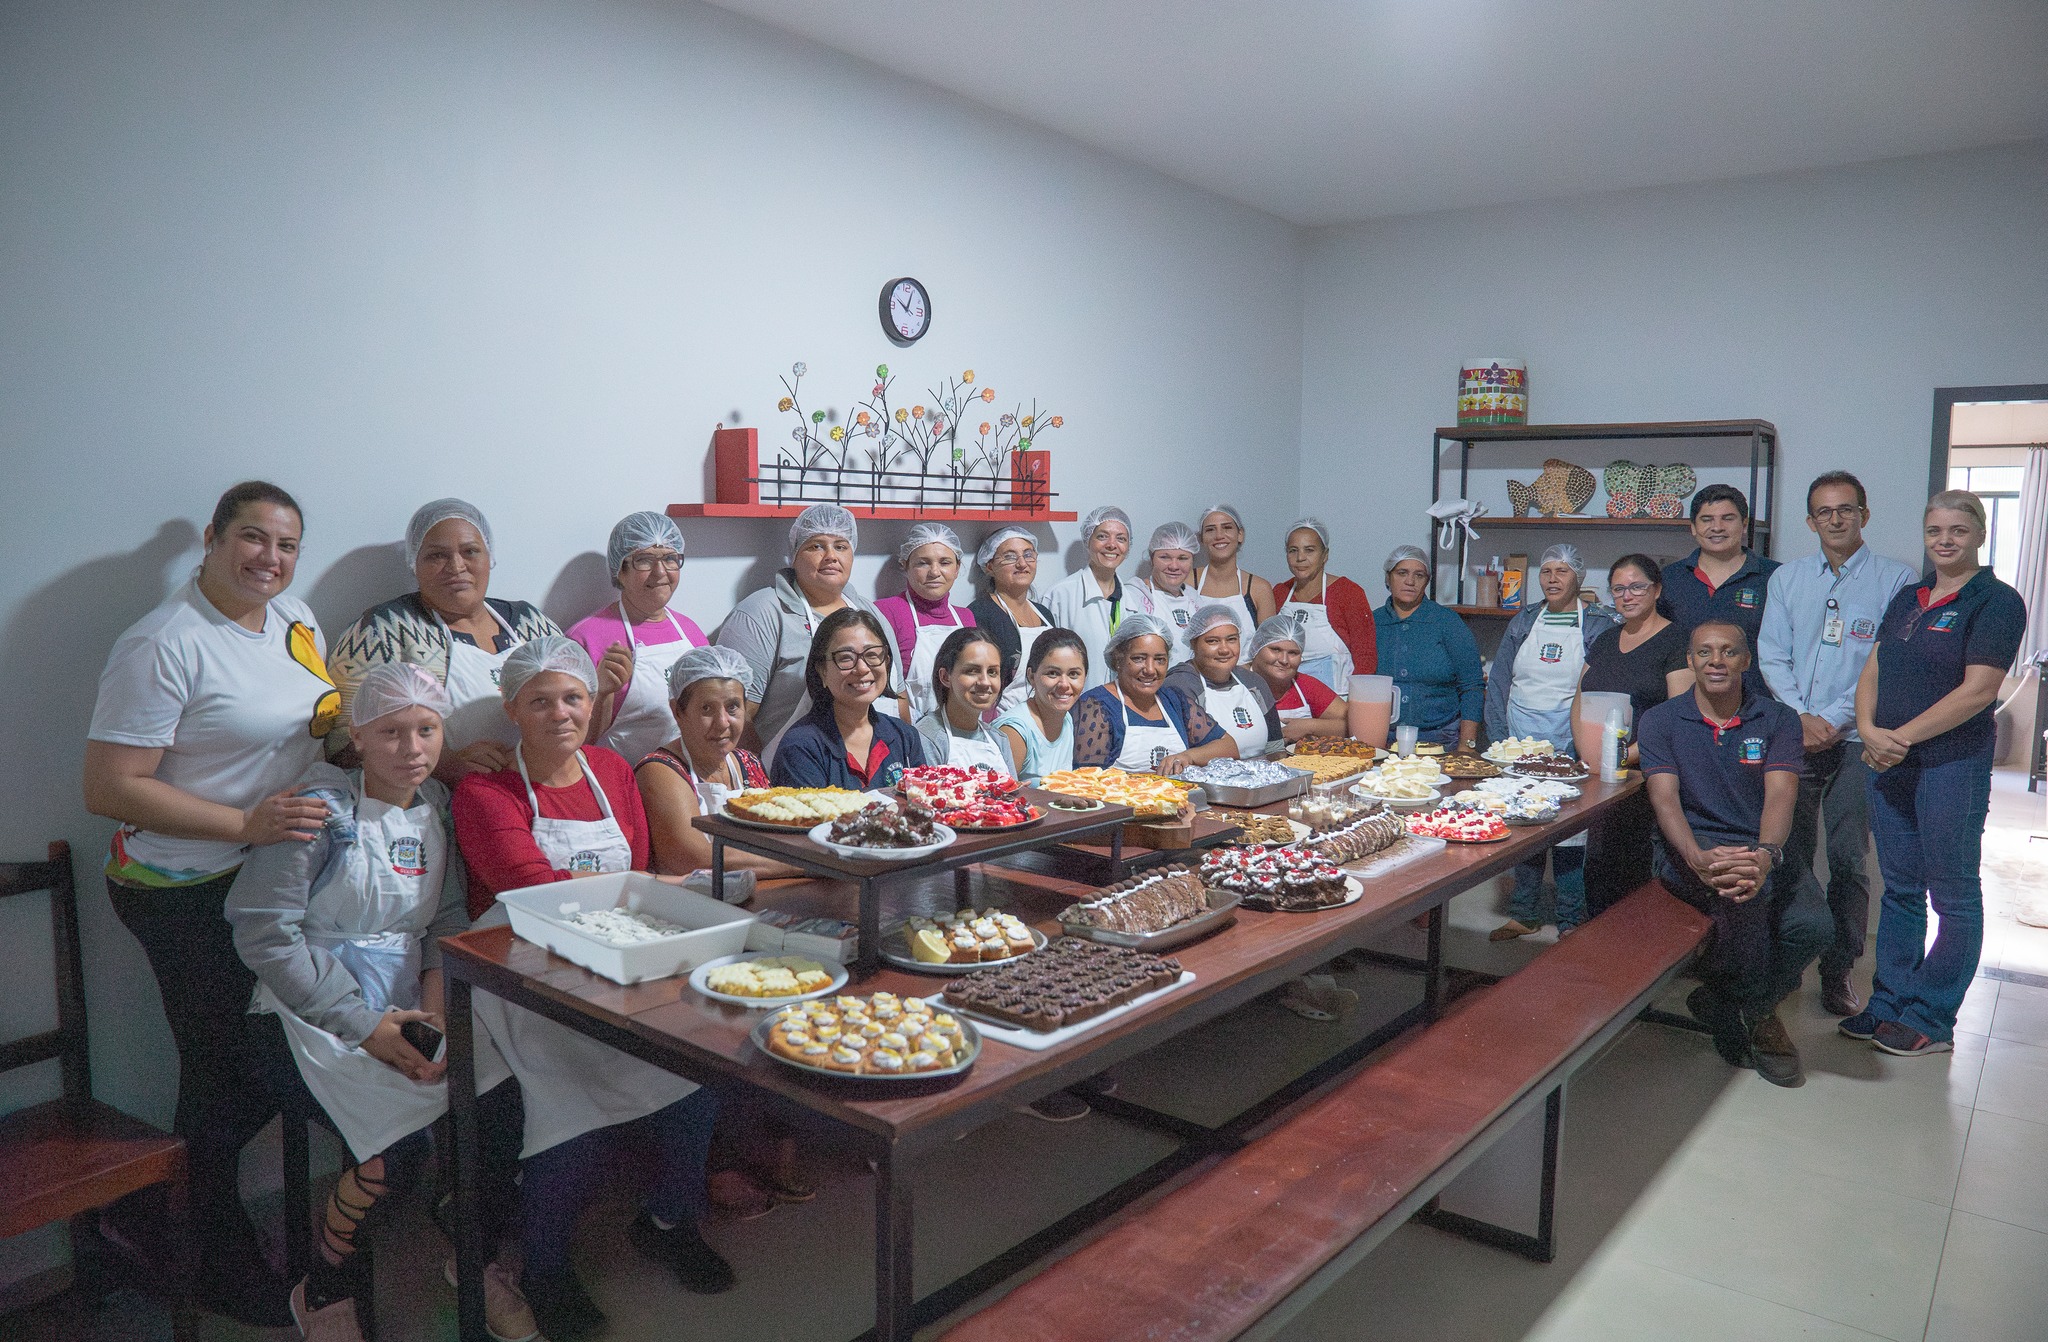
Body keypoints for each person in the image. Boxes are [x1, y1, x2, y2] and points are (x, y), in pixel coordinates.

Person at [83, 481, 333, 1325]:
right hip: (178, 888)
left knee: (251, 1069)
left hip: (264, 875)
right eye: (253, 538)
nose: (270, 557)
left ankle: (159, 1217)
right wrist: (243, 823)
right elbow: (109, 786)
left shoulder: (296, 619)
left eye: (287, 544)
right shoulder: (163, 643)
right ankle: (207, 1254)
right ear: (212, 537)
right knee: (229, 1073)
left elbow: (309, 723)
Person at [227, 664, 534, 1342]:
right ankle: (324, 1285)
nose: (413, 748)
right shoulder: (318, 809)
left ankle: (471, 1256)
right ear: (358, 739)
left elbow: (446, 918)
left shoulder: (437, 809)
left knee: (502, 1102)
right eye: (391, 732)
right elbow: (263, 932)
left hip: (405, 1005)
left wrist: (434, 1017)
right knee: (396, 1155)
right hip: (305, 1017)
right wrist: (366, 1028)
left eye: (426, 730)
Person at [451, 637, 731, 1338]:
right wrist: (627, 894)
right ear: (512, 708)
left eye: (573, 697)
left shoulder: (611, 768)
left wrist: (634, 902)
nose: (560, 713)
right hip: (517, 968)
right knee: (567, 1111)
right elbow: (528, 887)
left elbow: (635, 866)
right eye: (540, 700)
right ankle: (545, 1267)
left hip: (617, 952)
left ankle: (669, 1218)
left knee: (700, 1075)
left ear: (591, 702)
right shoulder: (485, 789)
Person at [1844, 490, 2027, 1057]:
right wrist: (1868, 727)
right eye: (1934, 531)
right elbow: (1874, 664)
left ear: (1979, 534)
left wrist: (1899, 739)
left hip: (1950, 765)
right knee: (1900, 888)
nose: (1944, 540)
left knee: (1952, 892)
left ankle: (1932, 1014)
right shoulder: (1909, 597)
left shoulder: (1995, 601)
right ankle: (1890, 1001)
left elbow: (1979, 690)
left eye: (1957, 530)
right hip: (1887, 760)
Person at [1639, 621, 1828, 1087]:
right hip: (1694, 848)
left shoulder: (1778, 719)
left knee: (1816, 926)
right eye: (1704, 652)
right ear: (1690, 661)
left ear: (1746, 660)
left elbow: (1781, 794)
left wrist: (1765, 855)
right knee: (1744, 902)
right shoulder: (1660, 721)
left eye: (1728, 652)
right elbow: (1664, 800)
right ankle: (1763, 1025)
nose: (1716, 661)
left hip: (1764, 846)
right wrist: (1696, 859)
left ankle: (1733, 1003)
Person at [1757, 473, 1916, 1017]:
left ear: (1864, 515)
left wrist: (1830, 718)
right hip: (1794, 734)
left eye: (1846, 509)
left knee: (1849, 859)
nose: (1835, 519)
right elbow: (1771, 654)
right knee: (1787, 850)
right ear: (1810, 521)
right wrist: (1800, 716)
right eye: (1824, 512)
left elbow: (1884, 663)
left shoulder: (1897, 580)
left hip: (1856, 741)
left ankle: (1838, 969)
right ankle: (1786, 961)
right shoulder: (1788, 579)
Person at [326, 498, 568, 781]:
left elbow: (576, 710)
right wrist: (442, 764)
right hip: (434, 807)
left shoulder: (531, 623)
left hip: (539, 787)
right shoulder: (383, 630)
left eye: (470, 551)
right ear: (414, 563)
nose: (456, 566)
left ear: (490, 558)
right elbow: (342, 746)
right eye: (437, 555)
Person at [1484, 545, 1619, 940]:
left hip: (1569, 737)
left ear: (1577, 577)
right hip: (1519, 737)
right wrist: (1498, 742)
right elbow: (1500, 681)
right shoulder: (1525, 619)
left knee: (1569, 832)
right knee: (1525, 827)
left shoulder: (1598, 622)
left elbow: (1599, 685)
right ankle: (1523, 912)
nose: (1553, 579)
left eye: (1562, 571)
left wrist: (1588, 748)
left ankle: (1571, 920)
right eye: (1546, 572)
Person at [716, 504, 902, 760]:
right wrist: (760, 777)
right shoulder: (761, 614)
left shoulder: (870, 614)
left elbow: (897, 695)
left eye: (841, 546)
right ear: (794, 555)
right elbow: (736, 713)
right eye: (816, 546)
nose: (830, 556)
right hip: (786, 772)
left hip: (871, 768)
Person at [1572, 554, 1694, 914]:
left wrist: (1622, 757)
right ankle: (1597, 958)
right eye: (1619, 589)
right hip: (1601, 778)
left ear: (1656, 590)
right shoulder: (1607, 640)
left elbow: (1679, 715)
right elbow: (1580, 698)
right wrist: (1592, 756)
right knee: (1598, 871)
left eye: (1637, 586)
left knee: (1637, 881)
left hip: (1647, 778)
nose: (1627, 595)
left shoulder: (1676, 640)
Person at [636, 644, 798, 893]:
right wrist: (801, 863)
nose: (722, 723)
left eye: (733, 707)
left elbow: (778, 836)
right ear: (677, 711)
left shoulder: (748, 763)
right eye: (706, 709)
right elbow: (693, 858)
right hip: (686, 905)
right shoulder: (661, 770)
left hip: (757, 892)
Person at [567, 511, 708, 766]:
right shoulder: (586, 639)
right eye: (644, 560)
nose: (660, 572)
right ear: (620, 571)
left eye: (670, 558)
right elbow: (571, 745)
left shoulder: (690, 632)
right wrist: (602, 693)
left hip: (687, 779)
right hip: (620, 785)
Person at [769, 609, 928, 789]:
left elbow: (922, 806)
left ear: (887, 662)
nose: (861, 668)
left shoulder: (905, 737)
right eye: (845, 658)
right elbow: (809, 817)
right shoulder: (801, 747)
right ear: (822, 670)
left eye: (872, 655)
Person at [1070, 613, 1235, 773]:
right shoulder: (1095, 706)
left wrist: (1188, 756)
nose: (1150, 669)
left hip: (1177, 799)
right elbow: (1087, 780)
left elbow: (1229, 747)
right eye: (1139, 658)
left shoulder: (1174, 701)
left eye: (1159, 660)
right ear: (1118, 659)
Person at [1662, 484, 1781, 698]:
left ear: (1744, 525)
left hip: (1757, 708)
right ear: (1693, 527)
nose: (1717, 527)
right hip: (1684, 709)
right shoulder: (1669, 578)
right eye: (1707, 520)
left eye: (1728, 518)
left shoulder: (1776, 577)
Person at [1372, 545, 1483, 751]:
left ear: (1427, 581)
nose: (1410, 581)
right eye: (1402, 573)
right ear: (1388, 578)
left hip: (1440, 740)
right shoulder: (1371, 622)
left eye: (1419, 575)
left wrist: (1466, 746)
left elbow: (1472, 686)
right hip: (1382, 739)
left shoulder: (1447, 622)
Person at [875, 522, 977, 722]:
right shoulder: (885, 612)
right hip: (906, 733)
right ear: (905, 566)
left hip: (958, 730)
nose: (934, 572)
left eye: (945, 562)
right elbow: (881, 691)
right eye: (923, 563)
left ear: (957, 569)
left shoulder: (966, 618)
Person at [1164, 604, 1282, 758]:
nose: (1224, 650)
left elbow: (1275, 748)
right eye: (1213, 641)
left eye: (1232, 639)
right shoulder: (1180, 685)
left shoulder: (1253, 682)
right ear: (1194, 643)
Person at [1271, 517, 1375, 688]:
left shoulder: (1348, 593)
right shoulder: (1279, 593)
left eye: (1309, 550)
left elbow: (1365, 657)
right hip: (1290, 695)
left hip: (1338, 699)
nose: (1300, 558)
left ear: (1325, 555)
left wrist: (1356, 703)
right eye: (1293, 550)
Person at [967, 525, 1056, 717]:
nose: (1022, 564)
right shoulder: (980, 613)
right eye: (1010, 556)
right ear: (989, 566)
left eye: (1028, 555)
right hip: (1002, 719)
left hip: (1045, 716)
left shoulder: (1044, 614)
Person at [1045, 505, 1133, 691]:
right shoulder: (1061, 596)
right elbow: (1046, 661)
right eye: (1102, 536)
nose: (1112, 544)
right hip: (1074, 705)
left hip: (1122, 705)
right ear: (1088, 541)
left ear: (1128, 546)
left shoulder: (1133, 600)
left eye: (1121, 538)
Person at [914, 628, 1015, 773]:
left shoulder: (999, 740)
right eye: (972, 671)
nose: (985, 682)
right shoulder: (927, 737)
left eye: (992, 672)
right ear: (945, 677)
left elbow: (1013, 793)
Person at [994, 630, 1088, 783]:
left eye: (1073, 674)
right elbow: (999, 798)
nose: (1064, 684)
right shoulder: (1014, 731)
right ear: (1031, 676)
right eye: (1052, 673)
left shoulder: (1066, 719)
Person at [1245, 614, 1349, 740]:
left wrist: (1310, 726)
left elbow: (1352, 724)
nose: (1284, 660)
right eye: (1276, 650)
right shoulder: (1234, 681)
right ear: (1256, 648)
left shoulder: (1305, 685)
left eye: (1293, 653)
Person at [1193, 503, 1277, 651]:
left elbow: (1269, 648)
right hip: (1193, 673)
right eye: (1210, 530)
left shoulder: (1259, 589)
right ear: (1201, 538)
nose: (1219, 536)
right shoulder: (1187, 582)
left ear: (1240, 534)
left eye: (1227, 528)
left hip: (1244, 672)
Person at [1130, 521, 1207, 659]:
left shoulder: (1193, 598)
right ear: (1152, 558)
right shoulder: (1135, 595)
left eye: (1183, 558)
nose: (1174, 566)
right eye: (1165, 557)